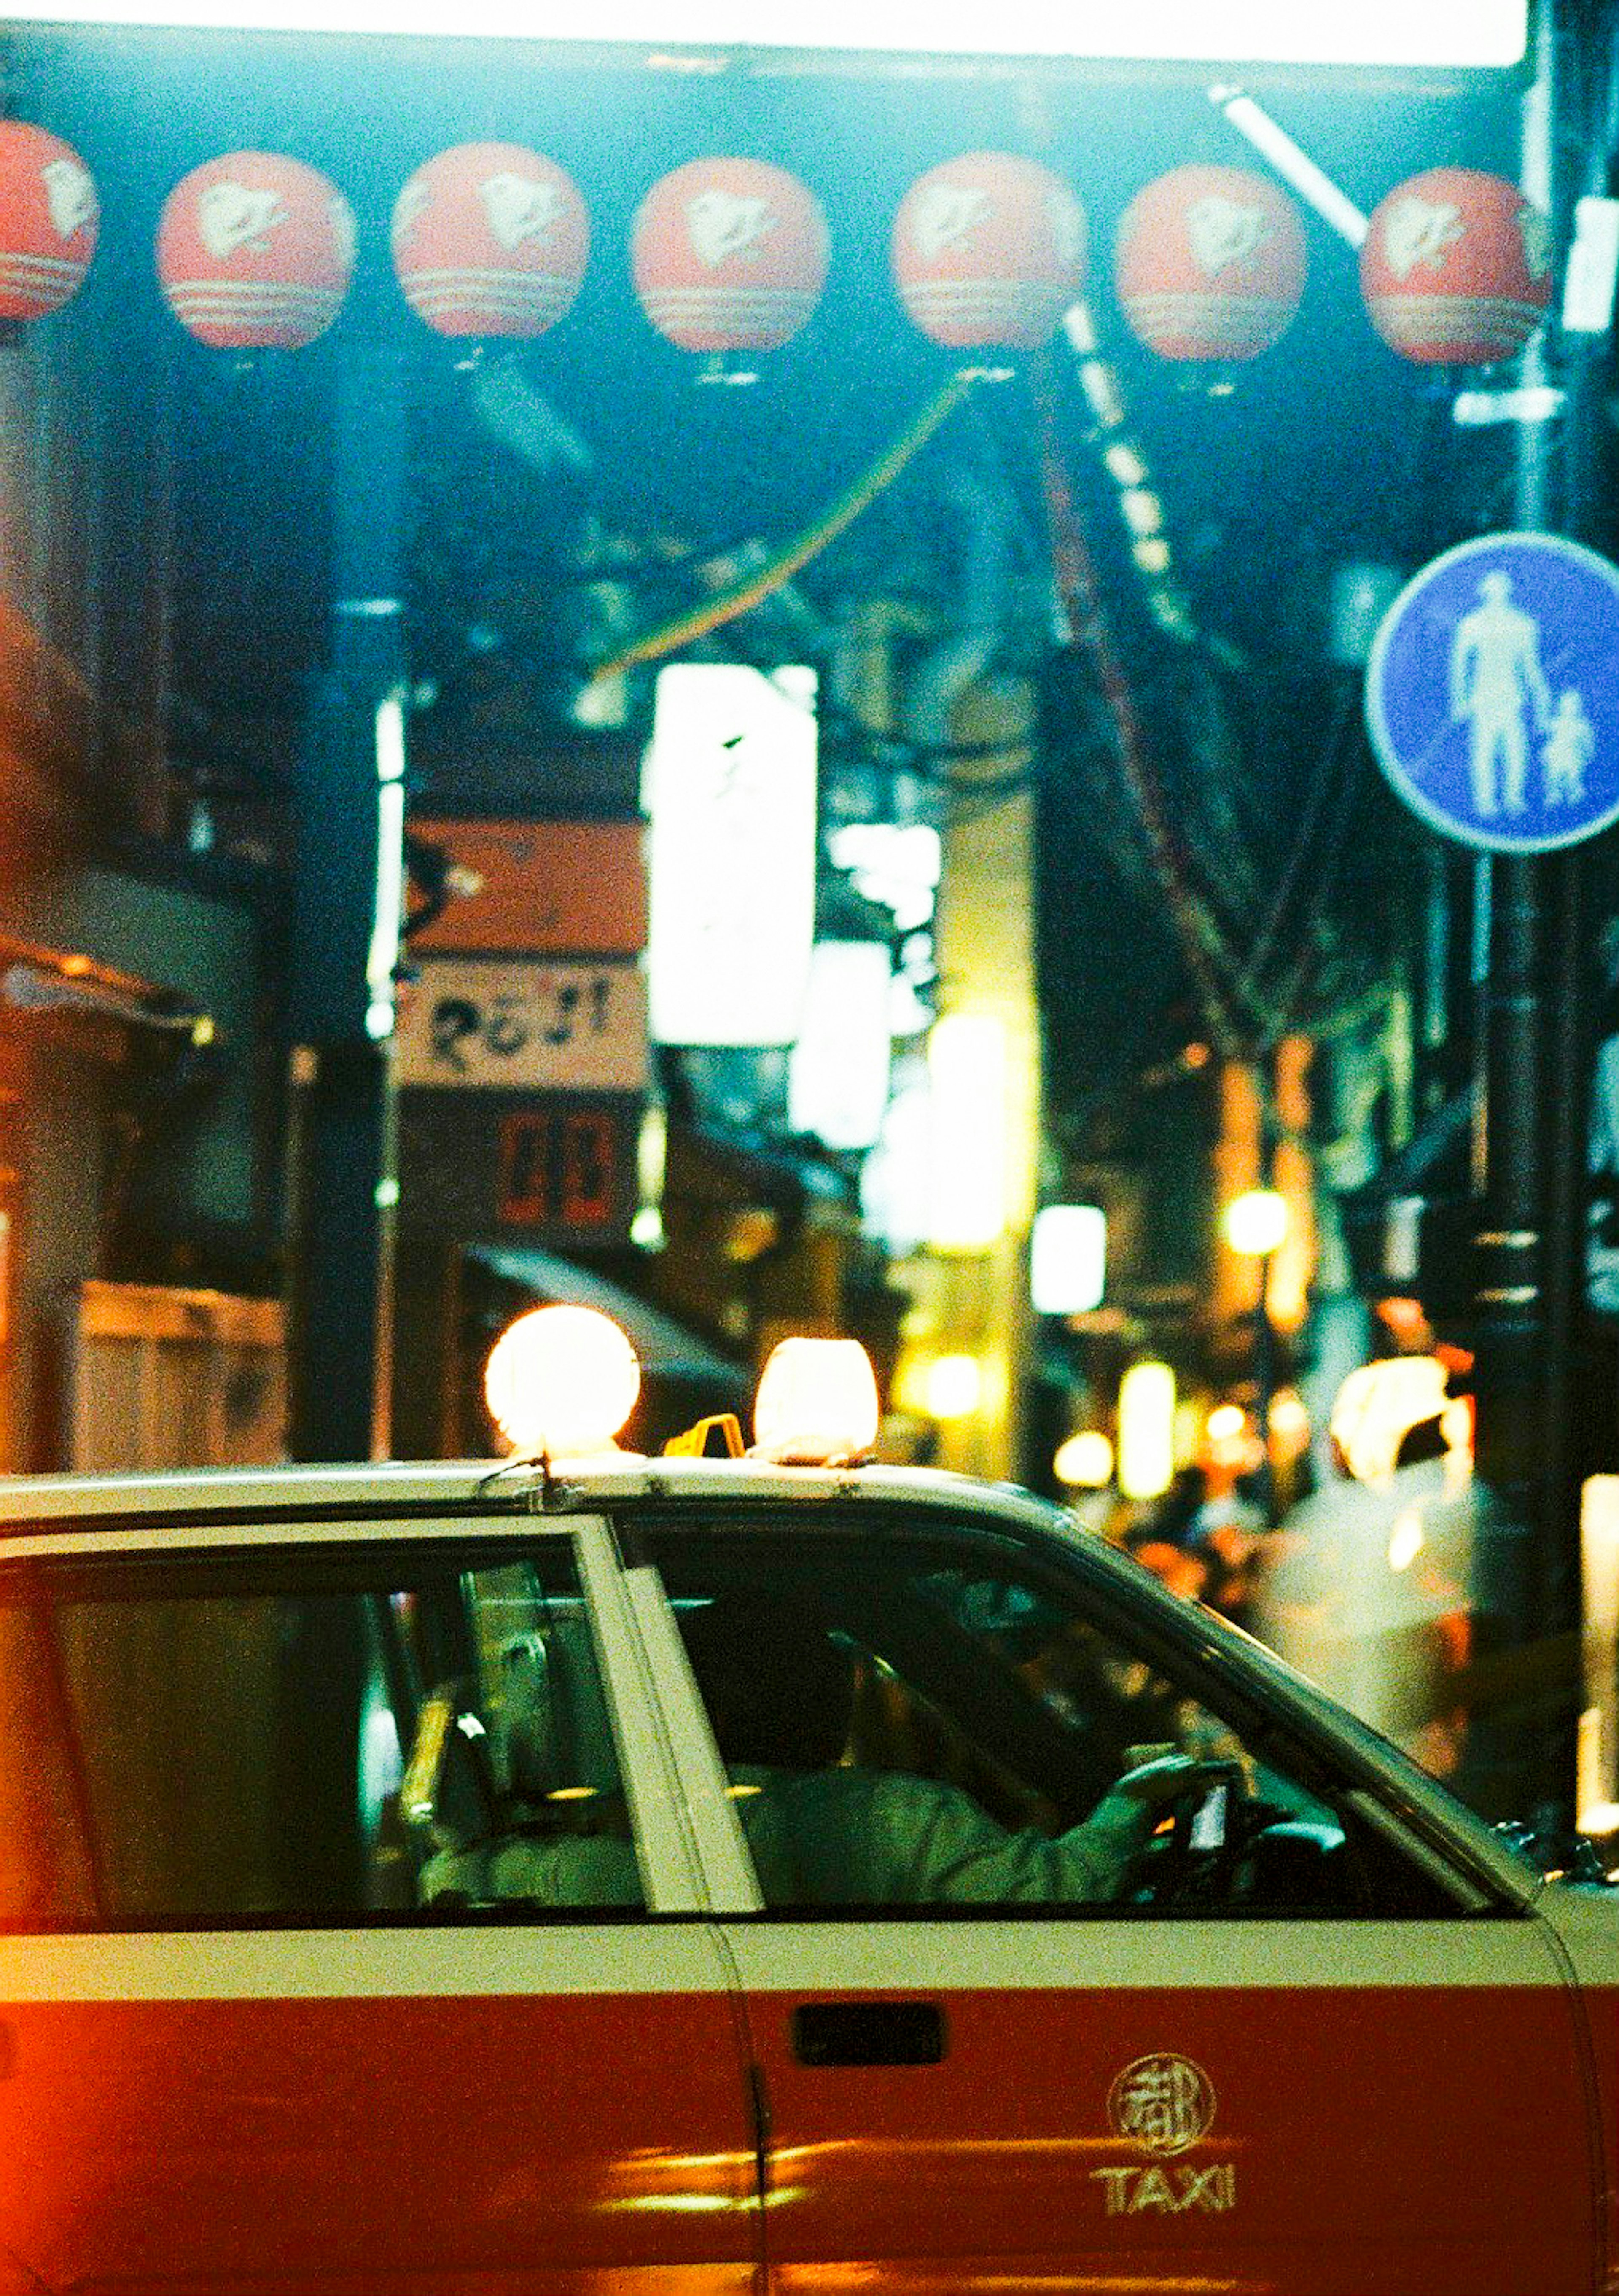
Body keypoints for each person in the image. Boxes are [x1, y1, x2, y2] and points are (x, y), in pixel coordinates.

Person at [676, 1591, 1211, 1907]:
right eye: (825, 1675)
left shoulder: (639, 1823)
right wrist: (1133, 1802)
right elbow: (1052, 1892)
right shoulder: (892, 1818)